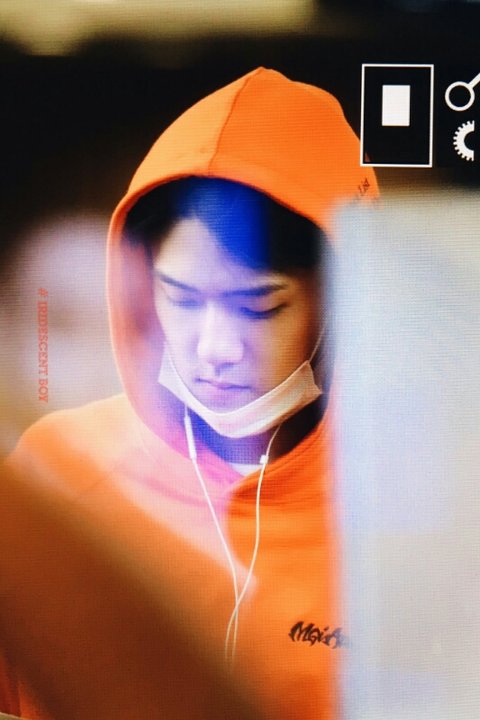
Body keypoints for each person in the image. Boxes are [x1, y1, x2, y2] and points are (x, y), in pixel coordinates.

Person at [1, 67, 378, 719]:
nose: (213, 347)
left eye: (258, 307)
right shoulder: (58, 471)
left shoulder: (409, 508)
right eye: (180, 297)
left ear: (344, 298)